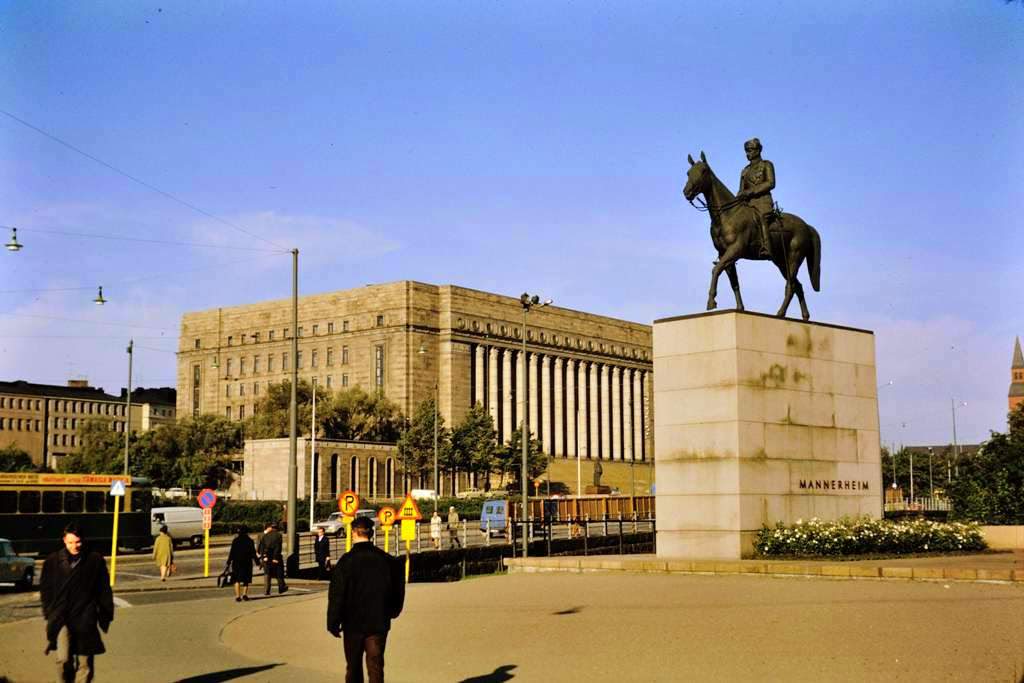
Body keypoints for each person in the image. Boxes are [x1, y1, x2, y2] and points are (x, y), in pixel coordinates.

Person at [326, 516, 405, 683]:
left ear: (353, 532)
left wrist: (333, 621)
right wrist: (393, 611)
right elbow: (398, 588)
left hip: (352, 623)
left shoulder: (346, 562)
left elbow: (337, 594)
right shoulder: (387, 560)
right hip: (378, 622)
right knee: (376, 665)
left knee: (353, 666)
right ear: (372, 533)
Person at [40, 523, 115, 683]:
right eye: (71, 542)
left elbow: (104, 588)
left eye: (78, 542)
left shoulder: (94, 560)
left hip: (85, 617)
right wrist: (49, 612)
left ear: (83, 540)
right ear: (64, 541)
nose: (75, 546)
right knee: (64, 659)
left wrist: (105, 614)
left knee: (84, 662)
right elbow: (46, 590)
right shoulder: (52, 561)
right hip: (61, 617)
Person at [737, 137, 777, 258]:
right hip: (748, 205)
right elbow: (741, 190)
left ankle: (766, 247)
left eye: (750, 150)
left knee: (761, 217)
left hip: (763, 203)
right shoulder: (745, 171)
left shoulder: (767, 165)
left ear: (759, 150)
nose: (748, 153)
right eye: (746, 151)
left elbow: (771, 183)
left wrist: (749, 192)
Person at [226, 526, 259, 602]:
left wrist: (229, 561)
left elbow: (232, 552)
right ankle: (244, 595)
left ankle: (237, 596)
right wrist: (257, 562)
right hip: (247, 562)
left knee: (236, 579)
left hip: (237, 562)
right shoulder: (250, 541)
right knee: (246, 579)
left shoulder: (235, 541)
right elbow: (253, 553)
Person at [257, 522, 288, 596]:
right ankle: (281, 588)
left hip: (266, 557)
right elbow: (278, 547)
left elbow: (261, 548)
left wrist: (263, 556)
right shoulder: (278, 535)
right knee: (279, 573)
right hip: (275, 557)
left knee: (267, 574)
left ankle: (266, 590)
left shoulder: (265, 536)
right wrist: (275, 557)